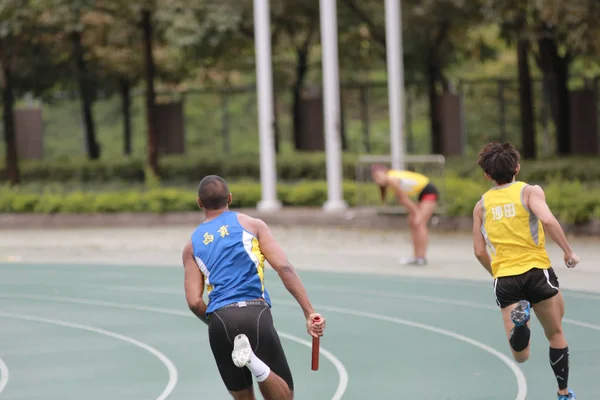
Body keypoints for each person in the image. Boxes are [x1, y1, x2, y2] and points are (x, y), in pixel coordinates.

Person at [181, 175, 326, 400]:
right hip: (254, 312)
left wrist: (217, 321)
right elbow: (284, 268)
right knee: (284, 396)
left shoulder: (192, 245)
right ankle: (256, 364)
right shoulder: (252, 225)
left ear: (199, 202)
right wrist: (309, 312)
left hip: (219, 319)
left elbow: (194, 302)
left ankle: (252, 361)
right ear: (229, 198)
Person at [472, 141, 579, 400]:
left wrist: (496, 273)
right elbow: (547, 219)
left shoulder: (481, 206)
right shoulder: (529, 192)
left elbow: (478, 250)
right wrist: (568, 251)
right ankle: (563, 393)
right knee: (555, 333)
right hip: (537, 272)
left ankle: (520, 325)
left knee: (521, 355)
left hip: (506, 279)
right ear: (517, 168)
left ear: (487, 175)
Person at [370, 164, 439, 265]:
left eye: (378, 176)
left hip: (429, 191)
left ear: (384, 172)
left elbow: (403, 199)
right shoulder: (391, 178)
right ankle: (416, 256)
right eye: (375, 178)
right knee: (413, 222)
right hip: (422, 194)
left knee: (419, 223)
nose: (377, 180)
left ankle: (421, 257)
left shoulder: (391, 179)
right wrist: (415, 213)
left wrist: (417, 213)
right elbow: (404, 200)